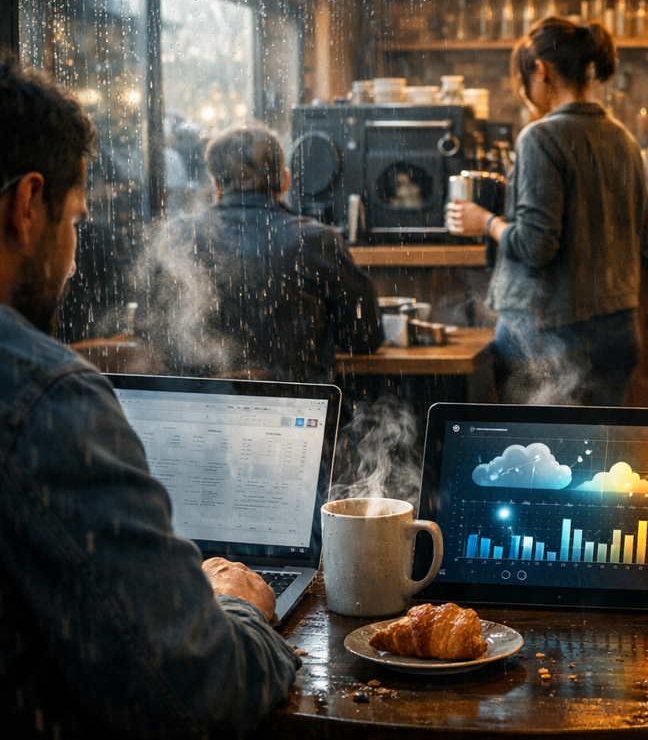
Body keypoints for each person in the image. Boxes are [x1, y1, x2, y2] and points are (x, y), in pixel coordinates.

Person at [0, 56, 298, 738]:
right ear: (26, 207)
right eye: (74, 220)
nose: (73, 257)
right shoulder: (47, 402)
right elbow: (198, 690)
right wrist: (237, 606)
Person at [446, 18, 648, 406]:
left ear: (540, 70)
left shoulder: (540, 137)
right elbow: (646, 242)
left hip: (547, 334)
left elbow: (535, 245)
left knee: (538, 460)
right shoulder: (623, 139)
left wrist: (486, 221)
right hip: (617, 331)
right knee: (600, 458)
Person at [141, 122, 382, 382]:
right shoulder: (315, 240)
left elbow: (152, 334)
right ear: (286, 180)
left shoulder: (177, 237)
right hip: (296, 411)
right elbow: (364, 338)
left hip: (199, 412)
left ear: (216, 185)